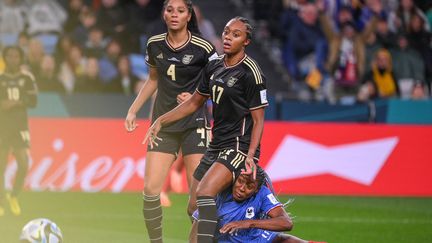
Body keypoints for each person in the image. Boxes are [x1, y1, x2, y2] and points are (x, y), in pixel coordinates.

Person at [145, 16, 268, 243]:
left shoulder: (251, 72)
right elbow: (193, 102)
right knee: (193, 208)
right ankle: (230, 236)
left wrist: (251, 156)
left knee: (204, 195)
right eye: (226, 32)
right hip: (216, 145)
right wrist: (162, 120)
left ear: (246, 41)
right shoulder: (214, 66)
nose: (228, 38)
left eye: (236, 35)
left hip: (238, 148)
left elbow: (259, 120)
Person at [124, 0, 217, 242]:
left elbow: (219, 82)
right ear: (164, 14)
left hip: (195, 123)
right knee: (150, 191)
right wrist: (133, 109)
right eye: (169, 10)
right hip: (162, 124)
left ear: (189, 16)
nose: (174, 14)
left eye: (180, 10)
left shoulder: (204, 47)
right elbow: (153, 79)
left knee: (197, 200)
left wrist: (200, 96)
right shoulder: (154, 44)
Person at [189, 166, 327, 243]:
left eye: (249, 186)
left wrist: (248, 223)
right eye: (240, 181)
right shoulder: (218, 193)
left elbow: (286, 223)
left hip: (259, 239)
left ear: (256, 190)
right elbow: (197, 225)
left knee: (288, 240)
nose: (242, 188)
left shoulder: (262, 193)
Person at [0, 46, 38, 216]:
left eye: (16, 56)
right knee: (0, 166)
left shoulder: (27, 78)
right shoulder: (1, 78)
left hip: (20, 126)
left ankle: (14, 195)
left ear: (20, 58)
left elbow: (33, 101)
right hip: (2, 126)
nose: (13, 59)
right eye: (9, 56)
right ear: (5, 58)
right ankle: (1, 202)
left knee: (23, 164)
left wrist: (13, 103)